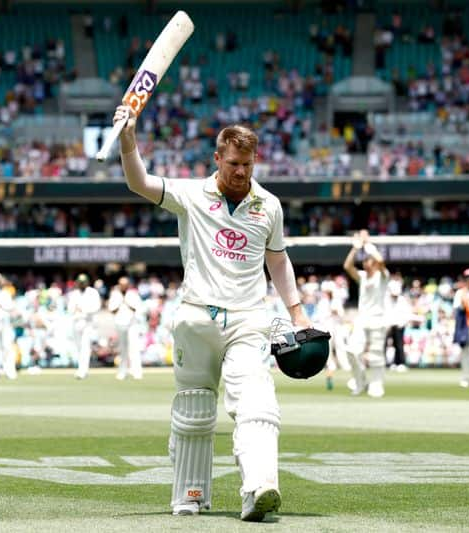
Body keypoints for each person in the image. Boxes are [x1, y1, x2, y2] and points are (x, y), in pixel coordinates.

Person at [114, 104, 310, 521]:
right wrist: (128, 139)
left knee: (257, 402)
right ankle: (190, 495)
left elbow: (278, 260)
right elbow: (139, 182)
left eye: (248, 164)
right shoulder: (191, 194)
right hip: (197, 316)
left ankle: (259, 489)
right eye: (234, 163)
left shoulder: (268, 206)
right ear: (217, 158)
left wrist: (298, 313)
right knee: (194, 410)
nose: (241, 172)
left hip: (248, 318)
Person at [343, 230, 390, 397]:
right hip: (362, 318)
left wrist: (367, 244)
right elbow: (347, 266)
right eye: (364, 260)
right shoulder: (362, 277)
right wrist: (356, 248)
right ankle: (360, 380)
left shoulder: (383, 276)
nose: (366, 263)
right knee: (351, 350)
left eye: (368, 260)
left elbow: (381, 261)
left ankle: (376, 384)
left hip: (378, 318)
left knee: (377, 354)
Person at [107, 276, 143, 381]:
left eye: (125, 284)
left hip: (132, 324)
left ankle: (136, 372)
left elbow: (137, 308)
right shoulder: (114, 295)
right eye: (121, 284)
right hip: (120, 324)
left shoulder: (133, 295)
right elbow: (112, 310)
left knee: (134, 348)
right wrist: (120, 303)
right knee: (123, 349)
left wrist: (127, 302)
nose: (123, 286)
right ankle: (122, 371)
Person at [69, 273, 102, 379]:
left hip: (87, 322)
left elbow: (96, 307)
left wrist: (83, 309)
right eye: (80, 282)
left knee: (85, 346)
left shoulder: (92, 293)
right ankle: (80, 368)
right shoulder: (74, 293)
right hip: (76, 322)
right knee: (79, 347)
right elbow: (70, 308)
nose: (81, 284)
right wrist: (77, 310)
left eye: (83, 282)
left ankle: (83, 370)